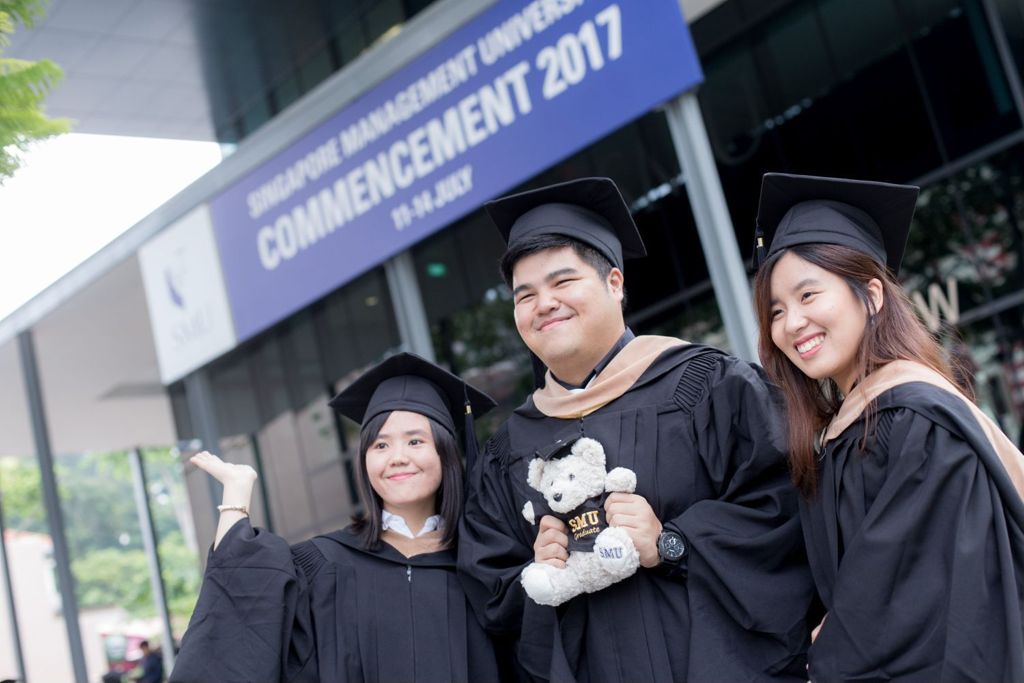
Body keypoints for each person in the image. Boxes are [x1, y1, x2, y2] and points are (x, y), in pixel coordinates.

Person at [458, 177, 815, 682]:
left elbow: (789, 508)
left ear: (615, 283)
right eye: (525, 295)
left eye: (562, 283)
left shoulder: (706, 385)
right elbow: (491, 597)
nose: (543, 304)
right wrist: (536, 574)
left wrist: (673, 543)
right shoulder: (509, 451)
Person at [751, 172, 1024, 682]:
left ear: (871, 295)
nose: (791, 324)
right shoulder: (842, 432)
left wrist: (824, 653)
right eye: (777, 310)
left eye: (809, 295)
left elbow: (915, 602)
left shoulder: (914, 418)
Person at [169, 353, 501, 683]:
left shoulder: (483, 565)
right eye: (380, 446)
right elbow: (242, 607)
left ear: (445, 453)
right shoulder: (322, 566)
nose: (397, 458)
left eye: (415, 441)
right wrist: (236, 495)